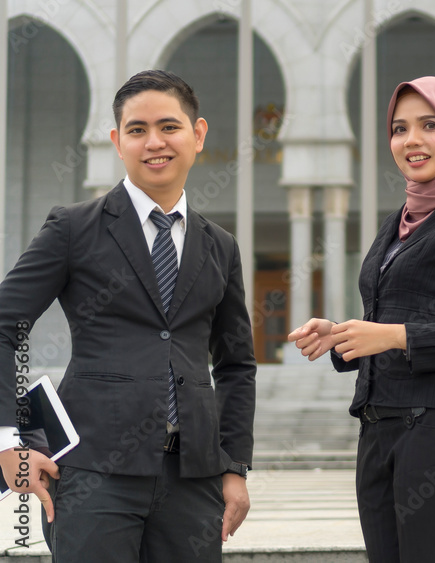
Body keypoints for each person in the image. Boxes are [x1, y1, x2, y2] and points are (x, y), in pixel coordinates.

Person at [0, 70, 256, 562]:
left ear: (198, 134)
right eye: (137, 130)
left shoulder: (220, 246)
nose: (154, 142)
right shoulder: (73, 228)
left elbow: (236, 365)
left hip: (193, 480)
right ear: (118, 143)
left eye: (169, 127)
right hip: (93, 475)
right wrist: (10, 441)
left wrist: (235, 467)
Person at [287, 76, 435, 563]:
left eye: (430, 125)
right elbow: (396, 317)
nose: (411, 140)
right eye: (399, 129)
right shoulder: (397, 221)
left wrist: (396, 336)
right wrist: (341, 334)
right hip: (378, 430)